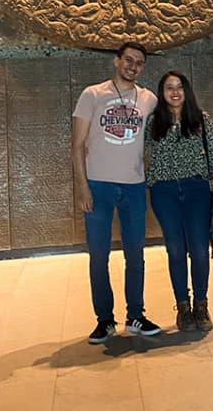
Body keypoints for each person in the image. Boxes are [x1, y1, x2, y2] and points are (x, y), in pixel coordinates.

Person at [72, 41, 162, 344]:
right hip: (98, 185)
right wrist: (83, 186)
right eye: (128, 60)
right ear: (117, 61)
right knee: (99, 255)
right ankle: (105, 320)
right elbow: (76, 145)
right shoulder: (92, 95)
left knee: (135, 254)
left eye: (139, 63)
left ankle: (136, 314)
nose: (133, 66)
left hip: (134, 186)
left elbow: (168, 124)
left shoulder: (148, 99)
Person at [145, 70, 213, 332]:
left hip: (196, 190)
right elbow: (143, 155)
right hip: (164, 192)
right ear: (162, 93)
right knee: (176, 250)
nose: (175, 92)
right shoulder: (153, 122)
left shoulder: (202, 120)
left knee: (200, 250)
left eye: (179, 87)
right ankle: (183, 306)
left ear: (187, 90)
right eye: (169, 88)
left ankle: (201, 305)